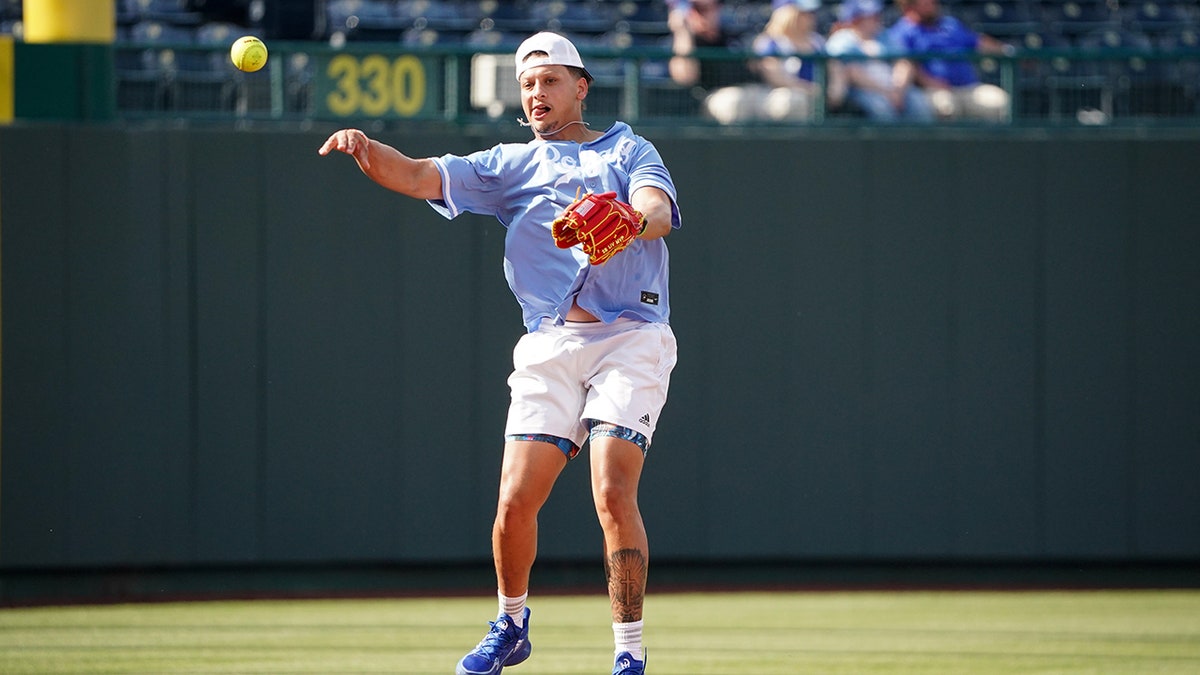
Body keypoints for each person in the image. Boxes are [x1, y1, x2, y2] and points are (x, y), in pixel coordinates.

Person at [318, 32, 680, 675]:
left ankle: (628, 653)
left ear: (581, 86)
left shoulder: (628, 147)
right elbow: (420, 174)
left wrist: (628, 216)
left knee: (611, 489)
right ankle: (511, 625)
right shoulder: (510, 165)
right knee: (514, 499)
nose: (537, 93)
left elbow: (656, 207)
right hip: (550, 341)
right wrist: (366, 148)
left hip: (630, 336)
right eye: (528, 84)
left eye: (550, 81)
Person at [883, 0, 1014, 122]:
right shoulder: (902, 32)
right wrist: (930, 82)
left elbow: (979, 43)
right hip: (932, 91)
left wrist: (1007, 50)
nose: (933, 4)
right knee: (946, 107)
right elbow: (906, 65)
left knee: (1001, 102)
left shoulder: (950, 24)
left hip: (969, 88)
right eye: (926, 2)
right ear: (909, 7)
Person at [825, 0, 935, 122]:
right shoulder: (842, 39)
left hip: (895, 89)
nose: (876, 19)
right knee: (882, 110)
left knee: (920, 105)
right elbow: (851, 71)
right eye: (870, 16)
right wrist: (886, 92)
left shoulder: (884, 36)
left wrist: (898, 90)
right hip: (864, 90)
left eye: (876, 15)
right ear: (856, 19)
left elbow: (904, 63)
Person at [667, 0, 757, 120]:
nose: (697, 15)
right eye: (694, 9)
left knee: (784, 100)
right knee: (734, 102)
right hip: (710, 99)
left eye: (704, 9)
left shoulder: (732, 36)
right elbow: (684, 77)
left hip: (751, 91)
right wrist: (682, 31)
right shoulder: (682, 43)